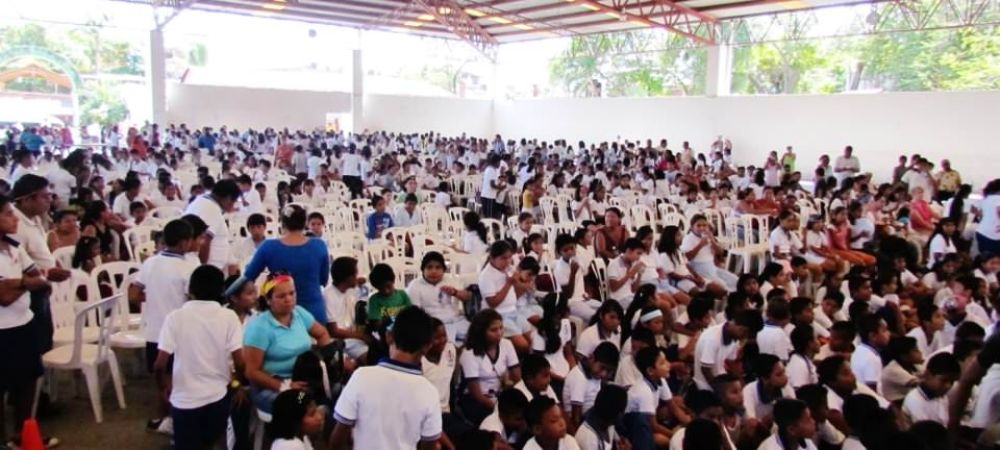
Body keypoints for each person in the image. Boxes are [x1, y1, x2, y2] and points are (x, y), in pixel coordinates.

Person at [154, 265, 245, 450]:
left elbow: (159, 365)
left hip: (184, 401)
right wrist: (237, 383)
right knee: (211, 443)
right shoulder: (228, 317)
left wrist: (163, 387)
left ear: (190, 290)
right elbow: (240, 362)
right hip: (217, 397)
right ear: (222, 291)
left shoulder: (175, 318)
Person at [330, 306, 443, 449]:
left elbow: (337, 440)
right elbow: (429, 445)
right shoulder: (429, 392)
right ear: (427, 346)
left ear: (389, 336)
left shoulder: (362, 377)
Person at [130, 219, 199, 433]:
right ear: (184, 242)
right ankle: (179, 422)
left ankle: (167, 419)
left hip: (154, 331)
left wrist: (153, 297)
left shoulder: (150, 263)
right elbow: (194, 298)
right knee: (182, 380)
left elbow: (133, 294)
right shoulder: (189, 266)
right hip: (181, 331)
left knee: (162, 379)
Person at [0, 193, 52, 447]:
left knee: (27, 384)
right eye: (8, 213)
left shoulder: (14, 246)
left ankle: (24, 435)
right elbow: (4, 298)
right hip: (2, 330)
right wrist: (26, 283)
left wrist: (17, 282)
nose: (15, 219)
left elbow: (41, 280)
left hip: (24, 324)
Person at [243, 273, 333, 414]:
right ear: (268, 299)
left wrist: (323, 358)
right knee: (303, 408)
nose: (289, 299)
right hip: (273, 386)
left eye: (292, 293)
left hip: (302, 381)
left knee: (334, 395)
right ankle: (294, 433)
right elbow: (252, 372)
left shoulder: (299, 314)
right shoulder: (260, 328)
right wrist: (285, 386)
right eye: (281, 296)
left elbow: (322, 334)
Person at [236, 205, 330, 323]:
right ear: (305, 223)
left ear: (282, 224)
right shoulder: (319, 245)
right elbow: (323, 280)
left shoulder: (268, 247)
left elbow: (248, 277)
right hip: (315, 314)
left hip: (283, 316)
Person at [459, 309, 522, 426]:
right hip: (478, 401)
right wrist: (499, 409)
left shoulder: (507, 344)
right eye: (493, 330)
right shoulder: (469, 353)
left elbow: (517, 378)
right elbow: (476, 394)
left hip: (501, 395)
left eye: (501, 328)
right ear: (481, 332)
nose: (499, 333)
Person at [407, 251, 472, 344]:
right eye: (429, 267)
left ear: (444, 270)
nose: (434, 271)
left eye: (438, 267)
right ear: (423, 270)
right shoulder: (415, 285)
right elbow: (414, 312)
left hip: (455, 320)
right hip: (432, 325)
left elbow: (467, 297)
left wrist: (455, 292)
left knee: (476, 337)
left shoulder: (449, 280)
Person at [693, 309, 764, 390]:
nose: (744, 338)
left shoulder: (734, 337)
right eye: (744, 334)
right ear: (740, 327)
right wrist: (720, 391)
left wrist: (742, 387)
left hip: (722, 378)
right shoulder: (711, 339)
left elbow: (732, 363)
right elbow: (706, 370)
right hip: (706, 386)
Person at [622, 347, 675, 450]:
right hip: (633, 431)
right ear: (650, 371)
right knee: (664, 440)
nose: (668, 364)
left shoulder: (661, 380)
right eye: (662, 363)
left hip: (646, 427)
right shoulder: (643, 391)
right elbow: (653, 425)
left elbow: (673, 406)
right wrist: (674, 435)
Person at [563, 341, 620, 432]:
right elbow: (576, 417)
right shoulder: (579, 377)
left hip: (594, 416)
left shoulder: (595, 375)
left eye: (608, 371)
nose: (604, 374)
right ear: (591, 358)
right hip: (584, 421)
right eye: (602, 368)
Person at [184, 179, 241, 270]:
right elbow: (203, 242)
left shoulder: (202, 201)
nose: (233, 205)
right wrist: (203, 269)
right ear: (228, 198)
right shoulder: (211, 208)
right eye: (233, 201)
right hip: (208, 269)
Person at [902, 352, 960, 426]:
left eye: (952, 382)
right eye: (944, 380)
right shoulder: (914, 399)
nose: (948, 386)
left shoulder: (941, 396)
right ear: (928, 375)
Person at [743, 354, 795, 422]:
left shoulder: (787, 389)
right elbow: (751, 424)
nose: (785, 377)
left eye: (784, 372)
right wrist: (775, 413)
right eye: (779, 375)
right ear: (765, 378)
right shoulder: (749, 391)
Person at [574, 384, 628, 450]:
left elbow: (619, 443)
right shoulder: (589, 438)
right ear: (615, 414)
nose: (622, 415)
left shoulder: (608, 424)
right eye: (622, 412)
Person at [851, 314, 890, 394]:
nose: (888, 334)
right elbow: (871, 391)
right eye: (884, 330)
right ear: (873, 336)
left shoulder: (860, 349)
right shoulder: (872, 358)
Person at [974, 179, 1000, 255]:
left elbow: (974, 210)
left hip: (981, 232)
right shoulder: (998, 199)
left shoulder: (985, 199)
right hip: (995, 235)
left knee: (986, 259)